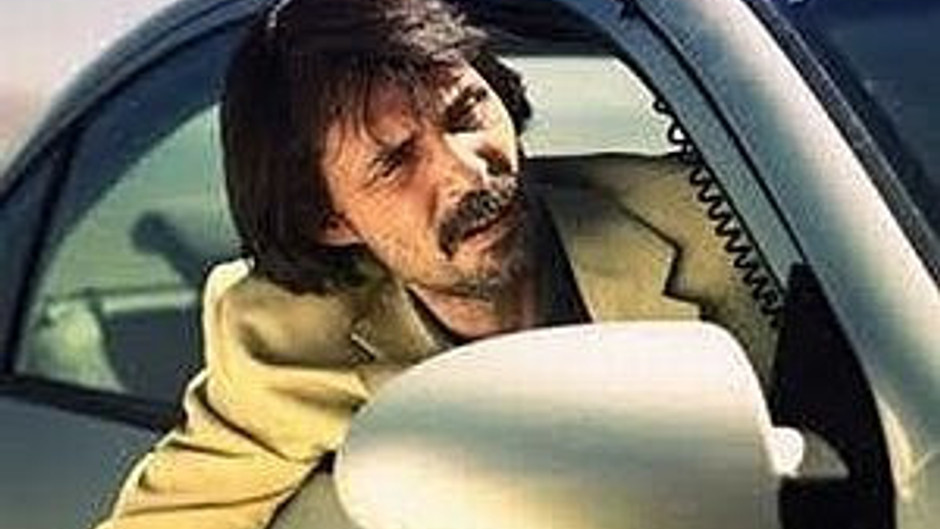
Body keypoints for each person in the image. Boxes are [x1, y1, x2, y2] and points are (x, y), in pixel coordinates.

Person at [95, 0, 777, 527]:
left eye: (467, 112)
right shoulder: (285, 334)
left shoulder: (720, 221)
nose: (468, 171)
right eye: (395, 161)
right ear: (329, 219)